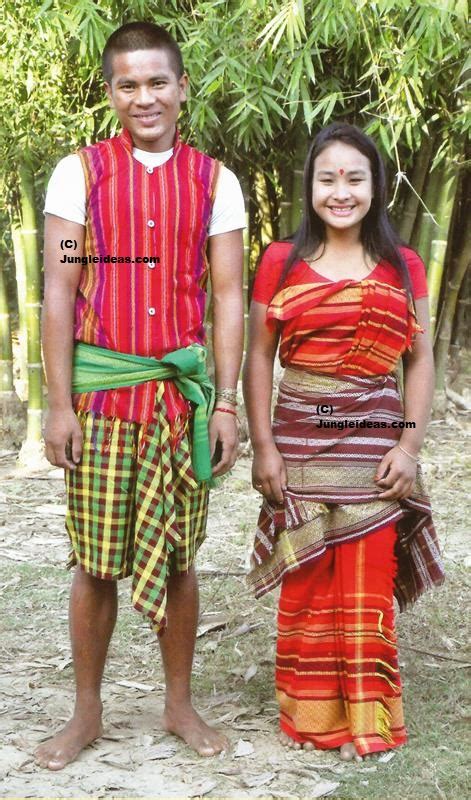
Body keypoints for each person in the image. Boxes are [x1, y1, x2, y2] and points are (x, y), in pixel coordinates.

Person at [37, 21, 244, 770]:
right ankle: (85, 712)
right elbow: (60, 290)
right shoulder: (77, 176)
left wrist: (222, 404)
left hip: (177, 406)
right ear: (111, 92)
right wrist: (59, 406)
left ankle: (178, 703)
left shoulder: (216, 182)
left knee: (180, 556)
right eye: (128, 83)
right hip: (102, 400)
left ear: (182, 87)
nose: (145, 96)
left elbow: (227, 296)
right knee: (93, 562)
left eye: (158, 81)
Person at [243, 122, 444, 761]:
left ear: (376, 187)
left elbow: (419, 360)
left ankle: (368, 719)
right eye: (327, 178)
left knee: (366, 584)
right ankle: (311, 717)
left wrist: (408, 449)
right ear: (310, 187)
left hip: (376, 452)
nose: (341, 192)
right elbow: (257, 357)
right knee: (308, 582)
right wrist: (264, 447)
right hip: (299, 444)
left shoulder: (403, 264)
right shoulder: (280, 261)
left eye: (355, 179)